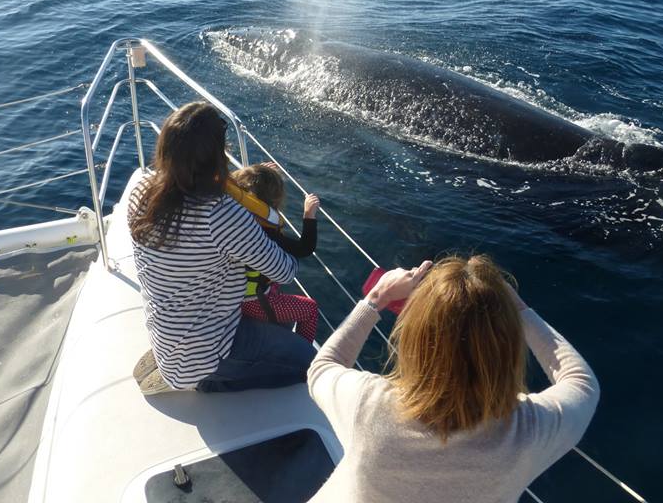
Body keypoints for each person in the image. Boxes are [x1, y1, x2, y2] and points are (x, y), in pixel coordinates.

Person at [307, 254, 600, 503]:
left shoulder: (367, 407)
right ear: (509, 349)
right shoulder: (527, 433)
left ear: (413, 339)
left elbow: (322, 367)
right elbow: (581, 382)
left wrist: (377, 298)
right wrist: (517, 307)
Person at [127, 102, 315, 394]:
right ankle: (210, 381)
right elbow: (284, 271)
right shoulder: (221, 213)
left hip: (167, 332)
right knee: (310, 364)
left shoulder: (142, 191)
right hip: (210, 351)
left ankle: (179, 364)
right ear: (216, 156)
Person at [229, 164, 321, 342]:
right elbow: (305, 248)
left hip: (233, 294)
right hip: (252, 302)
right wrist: (309, 214)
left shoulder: (233, 217)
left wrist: (257, 172)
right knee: (310, 309)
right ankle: (303, 357)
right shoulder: (266, 232)